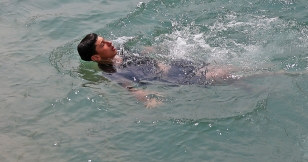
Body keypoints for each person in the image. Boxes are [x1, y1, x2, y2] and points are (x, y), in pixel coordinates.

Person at [77, 33, 237, 108]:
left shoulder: (120, 51)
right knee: (223, 75)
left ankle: (255, 79)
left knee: (228, 71)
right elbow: (129, 88)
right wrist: (148, 100)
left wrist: (150, 49)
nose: (109, 42)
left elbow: (138, 56)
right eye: (103, 44)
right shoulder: (109, 70)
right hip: (172, 78)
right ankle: (259, 77)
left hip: (175, 65)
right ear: (96, 58)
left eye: (105, 40)